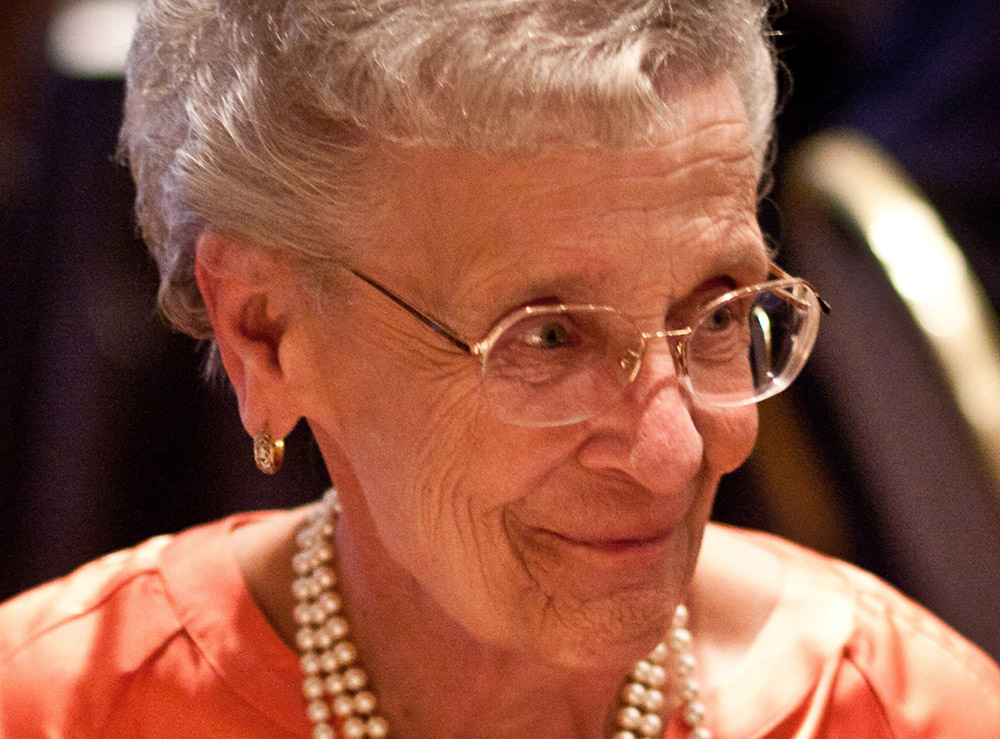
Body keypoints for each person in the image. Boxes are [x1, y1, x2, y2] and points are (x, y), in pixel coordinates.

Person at [1, 0, 998, 737]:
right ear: (266, 332)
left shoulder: (892, 709)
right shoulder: (55, 706)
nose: (674, 448)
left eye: (715, 310)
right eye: (548, 337)